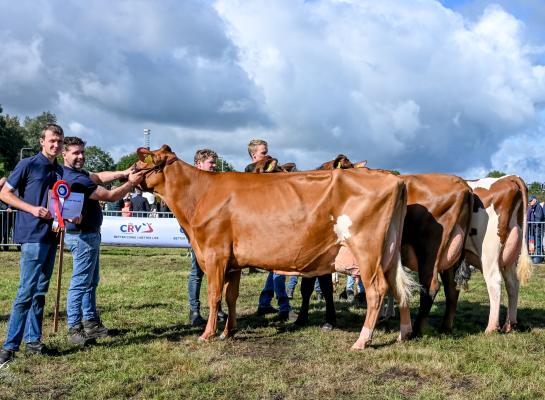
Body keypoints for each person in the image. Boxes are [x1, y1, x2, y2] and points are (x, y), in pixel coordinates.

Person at [61, 136, 144, 345]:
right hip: (82, 236)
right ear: (64, 154)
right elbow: (109, 196)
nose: (80, 156)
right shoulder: (75, 179)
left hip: (89, 234)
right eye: (75, 153)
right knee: (80, 283)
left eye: (82, 152)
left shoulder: (78, 173)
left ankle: (91, 323)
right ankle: (74, 328)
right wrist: (130, 183)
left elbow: (98, 176)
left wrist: (123, 172)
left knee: (90, 282)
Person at [0, 124, 65, 367]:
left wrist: (68, 217)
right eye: (52, 140)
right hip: (32, 235)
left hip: (51, 236)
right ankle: (9, 347)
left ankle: (34, 341)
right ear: (42, 141)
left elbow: (62, 202)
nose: (55, 144)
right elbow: (5, 194)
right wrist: (31, 209)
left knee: (40, 291)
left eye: (59, 141)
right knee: (26, 291)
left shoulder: (59, 170)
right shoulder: (28, 164)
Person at [245, 139, 295, 321]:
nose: (268, 155)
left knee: (276, 268)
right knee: (279, 266)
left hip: (272, 223)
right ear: (254, 155)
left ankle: (265, 302)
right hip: (263, 226)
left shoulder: (269, 170)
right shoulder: (251, 172)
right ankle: (284, 306)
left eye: (267, 151)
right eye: (264, 152)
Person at [187, 149, 227, 326]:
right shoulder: (192, 185)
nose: (214, 165)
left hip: (217, 234)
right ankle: (194, 311)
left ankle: (217, 310)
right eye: (211, 162)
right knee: (197, 273)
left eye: (214, 162)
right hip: (199, 234)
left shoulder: (217, 182)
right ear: (199, 164)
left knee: (219, 273)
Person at [528, 195, 544, 264]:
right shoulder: (533, 207)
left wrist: (533, 223)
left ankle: (538, 257)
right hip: (534, 228)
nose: (530, 202)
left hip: (538, 228)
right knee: (534, 242)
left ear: (535, 200)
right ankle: (536, 256)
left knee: (538, 241)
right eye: (529, 201)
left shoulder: (538, 207)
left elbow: (539, 217)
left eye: (531, 201)